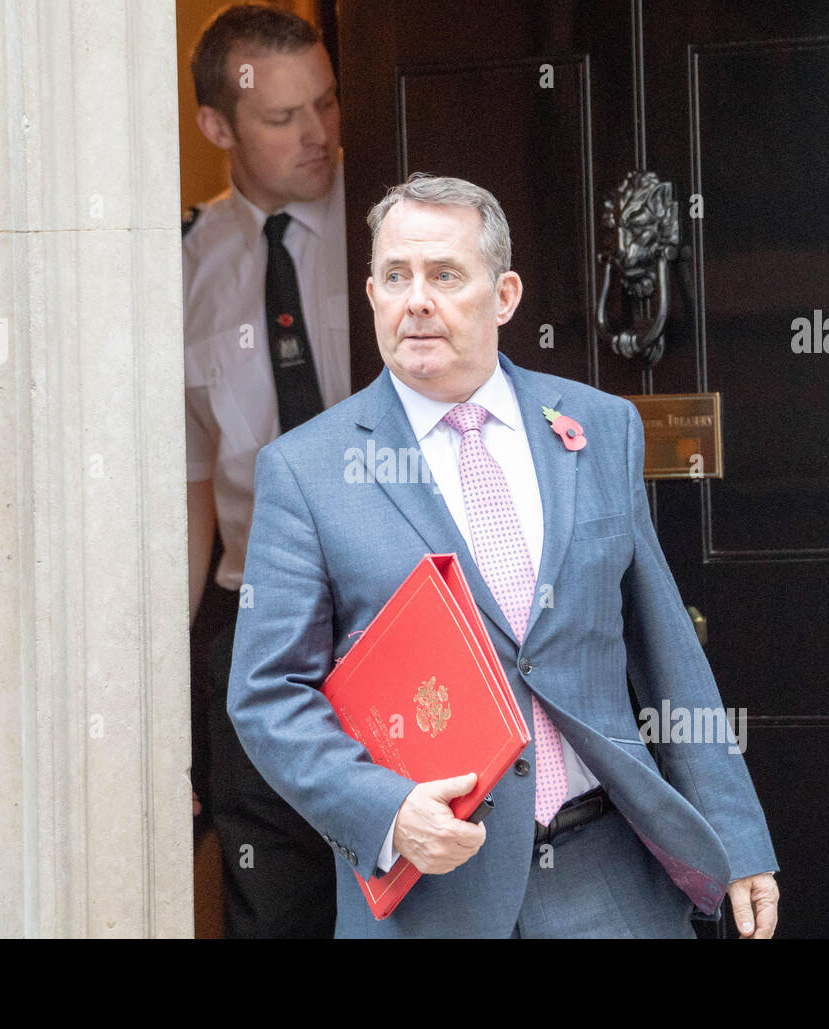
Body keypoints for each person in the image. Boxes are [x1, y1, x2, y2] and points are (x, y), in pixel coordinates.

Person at [227, 174, 780, 938]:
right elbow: (268, 693)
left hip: (608, 873)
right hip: (431, 892)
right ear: (371, 294)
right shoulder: (307, 470)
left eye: (445, 275)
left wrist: (738, 838)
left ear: (506, 295)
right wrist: (383, 810)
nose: (416, 299)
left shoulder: (597, 427)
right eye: (395, 277)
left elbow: (665, 649)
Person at [183, 2, 347, 938]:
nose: (317, 134)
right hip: (259, 627)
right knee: (275, 903)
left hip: (402, 608)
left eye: (324, 104)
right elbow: (189, 491)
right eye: (283, 118)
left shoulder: (395, 238)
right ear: (217, 125)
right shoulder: (173, 264)